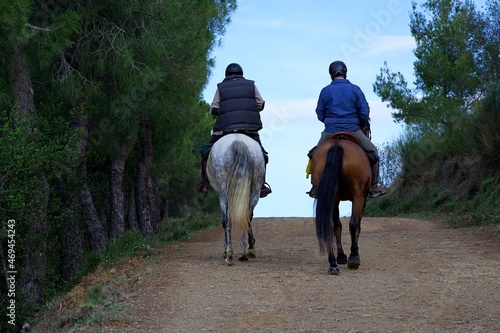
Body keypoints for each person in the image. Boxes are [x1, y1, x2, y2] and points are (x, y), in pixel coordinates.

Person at [307, 60, 387, 199]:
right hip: (353, 130)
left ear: (331, 75)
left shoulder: (325, 91)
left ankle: (315, 186)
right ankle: (374, 186)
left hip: (330, 131)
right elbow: (364, 112)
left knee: (314, 155)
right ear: (345, 73)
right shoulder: (355, 89)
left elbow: (320, 113)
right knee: (374, 153)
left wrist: (330, 122)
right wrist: (358, 122)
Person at [196, 63, 272, 198]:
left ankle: (205, 185)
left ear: (226, 75)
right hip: (249, 129)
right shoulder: (251, 85)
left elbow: (213, 109)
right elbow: (261, 104)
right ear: (241, 74)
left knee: (205, 154)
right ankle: (261, 186)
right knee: (262, 155)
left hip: (224, 129)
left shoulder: (221, 87)